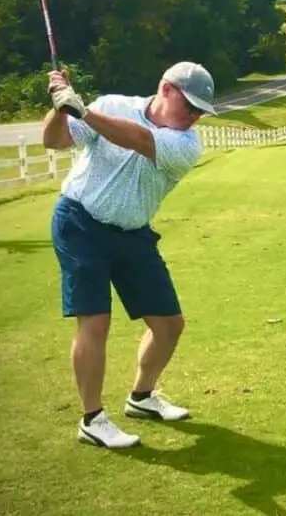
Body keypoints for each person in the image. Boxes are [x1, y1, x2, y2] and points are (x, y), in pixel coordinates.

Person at [42, 61, 217, 449]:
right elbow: (55, 141)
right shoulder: (113, 105)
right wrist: (60, 107)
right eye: (191, 106)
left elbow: (139, 140)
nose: (195, 116)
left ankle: (141, 397)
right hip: (80, 222)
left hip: (133, 233)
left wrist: (84, 110)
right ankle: (92, 418)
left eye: (202, 111)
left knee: (170, 325)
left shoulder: (187, 144)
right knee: (95, 322)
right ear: (166, 89)